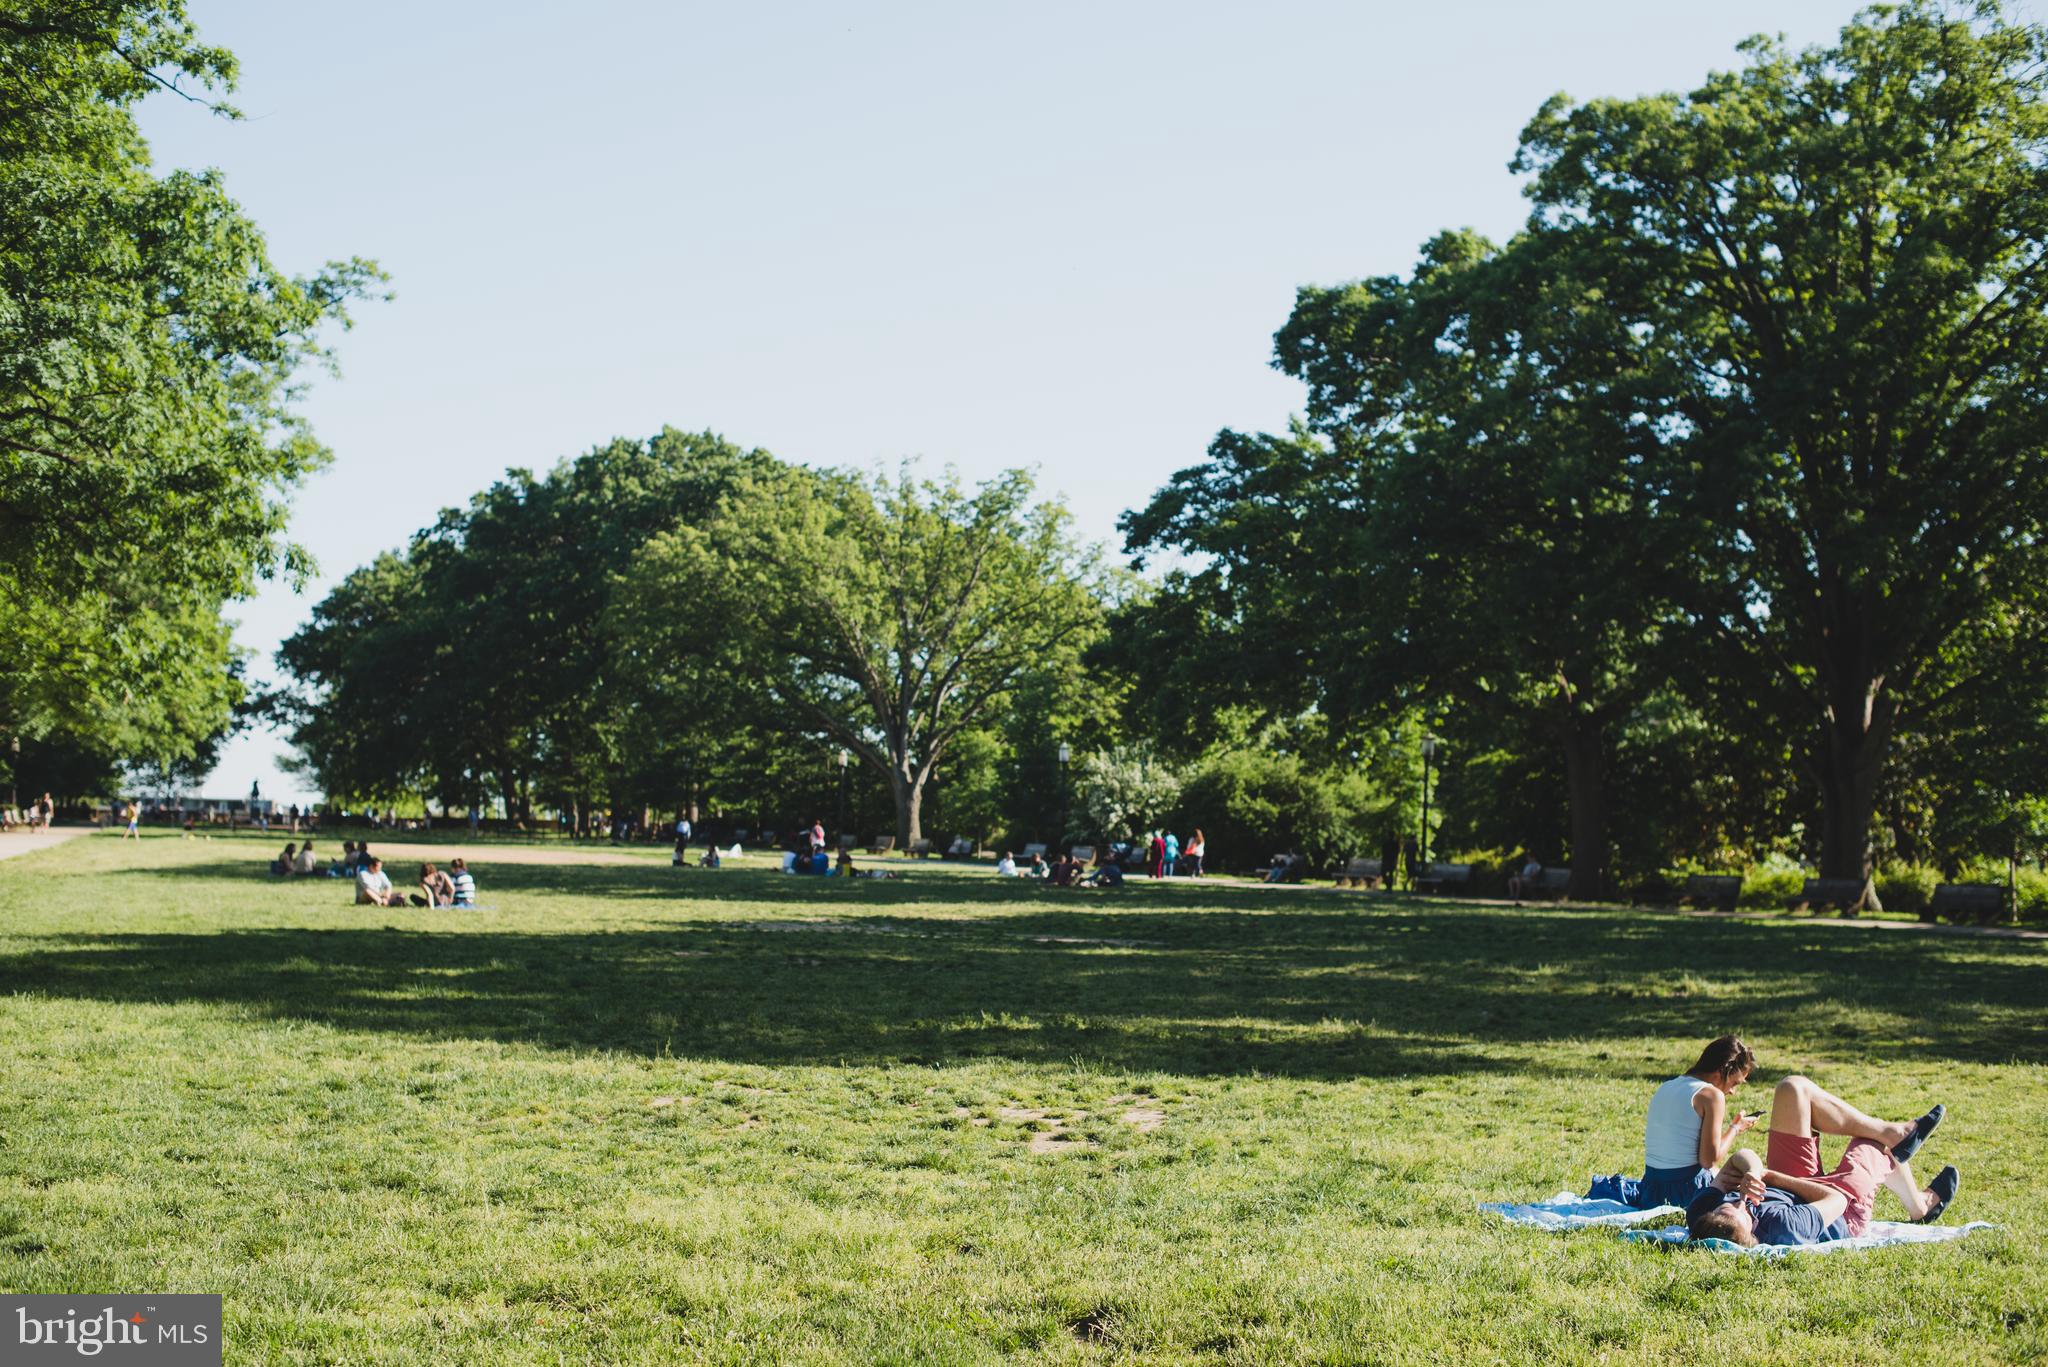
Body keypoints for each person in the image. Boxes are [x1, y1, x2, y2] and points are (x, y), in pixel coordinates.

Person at [1686, 1075, 1955, 1246]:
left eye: (1727, 1205)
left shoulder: (1703, 1214)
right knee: (1870, 1143)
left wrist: (1753, 1171)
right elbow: (1835, 1201)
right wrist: (1769, 1177)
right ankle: (1920, 1207)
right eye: (1741, 1210)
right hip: (1839, 1209)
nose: (1737, 1201)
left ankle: (1893, 1133)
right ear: (1751, 1228)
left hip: (1790, 1186)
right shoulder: (1783, 1227)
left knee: (1792, 1089)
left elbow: (1738, 1159)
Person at [1588, 1035, 1758, 1209]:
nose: (1733, 1092)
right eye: (1734, 1083)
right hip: (1685, 1192)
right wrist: (1735, 1128)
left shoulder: (1668, 1086)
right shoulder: (1712, 1095)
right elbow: (1709, 1160)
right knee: (1744, 1186)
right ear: (1723, 1070)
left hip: (1651, 1190)